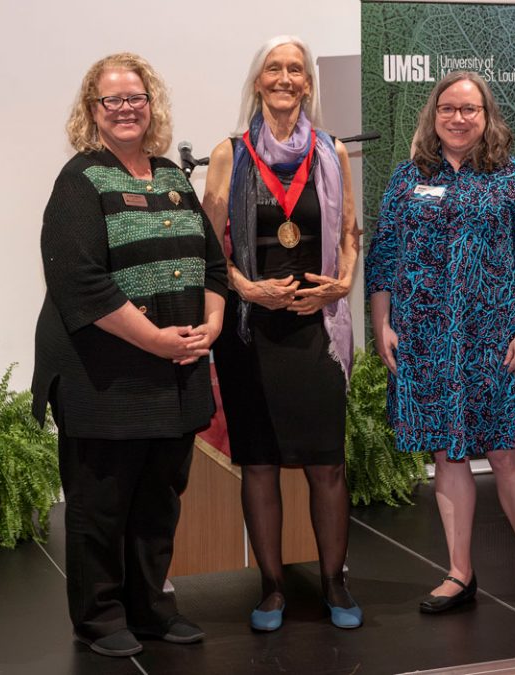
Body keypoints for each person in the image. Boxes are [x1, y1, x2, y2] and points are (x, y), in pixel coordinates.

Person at [30, 53, 227, 657]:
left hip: (176, 371)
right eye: (111, 100)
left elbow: (213, 265)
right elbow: (80, 283)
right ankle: (99, 618)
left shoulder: (171, 177)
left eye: (135, 98)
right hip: (102, 375)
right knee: (100, 506)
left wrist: (212, 324)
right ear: (93, 111)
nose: (125, 109)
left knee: (158, 500)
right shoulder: (80, 181)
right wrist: (155, 340)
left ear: (152, 105)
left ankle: (151, 608)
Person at [366, 70, 515, 616]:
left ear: (487, 116)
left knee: (506, 454)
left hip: (499, 341)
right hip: (427, 340)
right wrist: (382, 322)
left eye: (469, 109)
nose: (458, 118)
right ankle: (459, 573)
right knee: (448, 456)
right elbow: (384, 254)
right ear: (433, 115)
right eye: (448, 108)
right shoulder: (407, 179)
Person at [202, 36, 361, 631]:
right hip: (249, 333)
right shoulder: (229, 154)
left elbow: (349, 232)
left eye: (296, 69)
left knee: (327, 466)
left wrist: (342, 283)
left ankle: (335, 585)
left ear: (307, 83)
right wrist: (245, 289)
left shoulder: (332, 152)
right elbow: (207, 247)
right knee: (261, 465)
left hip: (314, 330)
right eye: (275, 68)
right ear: (258, 79)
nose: (286, 78)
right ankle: (270, 589)